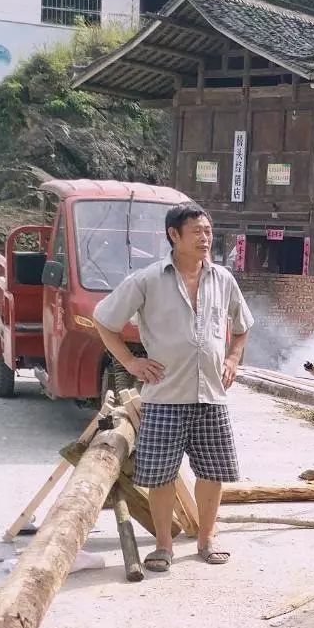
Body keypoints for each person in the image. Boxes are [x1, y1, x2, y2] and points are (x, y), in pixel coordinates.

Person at [94, 201, 253, 572]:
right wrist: (131, 362)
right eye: (196, 231)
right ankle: (163, 546)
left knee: (214, 473)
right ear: (174, 235)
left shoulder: (223, 279)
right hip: (164, 396)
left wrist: (232, 359)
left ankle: (206, 538)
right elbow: (105, 320)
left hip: (211, 396)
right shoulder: (148, 279)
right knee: (161, 474)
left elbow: (242, 326)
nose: (205, 238)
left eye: (208, 231)